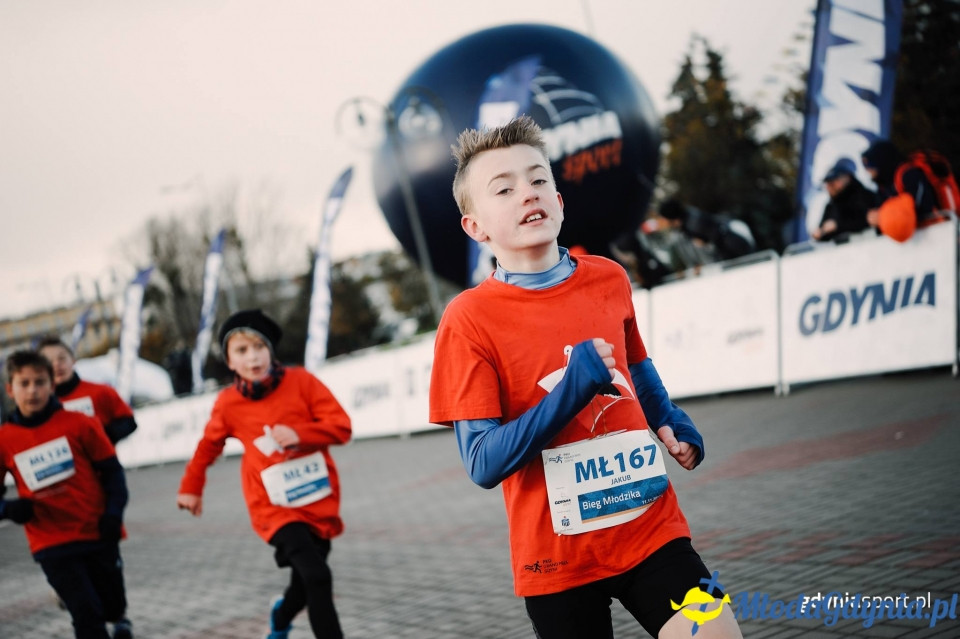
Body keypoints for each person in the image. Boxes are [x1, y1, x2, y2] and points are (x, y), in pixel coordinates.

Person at [429, 116, 741, 639]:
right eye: (503, 189)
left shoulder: (609, 277)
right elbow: (482, 462)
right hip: (556, 560)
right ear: (475, 227)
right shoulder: (467, 319)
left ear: (559, 199)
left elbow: (636, 367)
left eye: (538, 179)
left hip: (650, 527)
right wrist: (573, 389)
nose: (527, 194)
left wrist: (669, 418)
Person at [176, 309, 351, 639]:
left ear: (271, 351)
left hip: (316, 497)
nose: (252, 357)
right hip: (273, 505)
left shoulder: (302, 382)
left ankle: (281, 616)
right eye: (241, 350)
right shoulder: (228, 403)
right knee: (318, 577)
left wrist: (301, 434)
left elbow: (342, 427)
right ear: (229, 361)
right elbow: (207, 447)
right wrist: (191, 487)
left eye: (259, 347)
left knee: (305, 584)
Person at [0, 350, 133, 639]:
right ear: (10, 389)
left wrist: (113, 515)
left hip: (96, 531)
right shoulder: (4, 439)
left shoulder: (80, 424)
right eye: (24, 383)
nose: (33, 390)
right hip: (51, 542)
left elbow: (113, 474)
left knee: (111, 606)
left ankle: (117, 617)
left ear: (52, 385)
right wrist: (8, 509)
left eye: (40, 382)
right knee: (87, 616)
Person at [37, 337, 138, 445]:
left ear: (73, 360)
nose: (56, 364)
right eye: (49, 361)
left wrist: (100, 438)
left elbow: (129, 422)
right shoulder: (38, 406)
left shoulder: (101, 391)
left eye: (61, 358)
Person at [861, 140, 943, 242]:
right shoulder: (882, 187)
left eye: (870, 166)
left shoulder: (909, 175)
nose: (868, 171)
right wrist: (876, 219)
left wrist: (883, 217)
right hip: (908, 243)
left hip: (934, 235)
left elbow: (921, 208)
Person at [810, 157, 877, 242]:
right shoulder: (831, 205)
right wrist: (820, 233)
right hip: (841, 252)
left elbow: (867, 221)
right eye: (827, 183)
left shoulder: (865, 196)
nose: (829, 187)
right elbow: (824, 233)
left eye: (833, 182)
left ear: (847, 178)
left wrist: (838, 225)